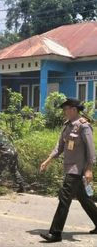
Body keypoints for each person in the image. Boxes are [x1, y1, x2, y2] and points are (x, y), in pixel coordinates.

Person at [39, 98, 97, 242]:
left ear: (74, 109)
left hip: (77, 170)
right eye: (64, 109)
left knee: (64, 198)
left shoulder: (84, 126)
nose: (64, 112)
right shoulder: (67, 126)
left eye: (66, 109)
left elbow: (91, 150)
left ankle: (55, 233)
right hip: (70, 168)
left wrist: (89, 169)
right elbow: (59, 147)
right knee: (84, 199)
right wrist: (47, 160)